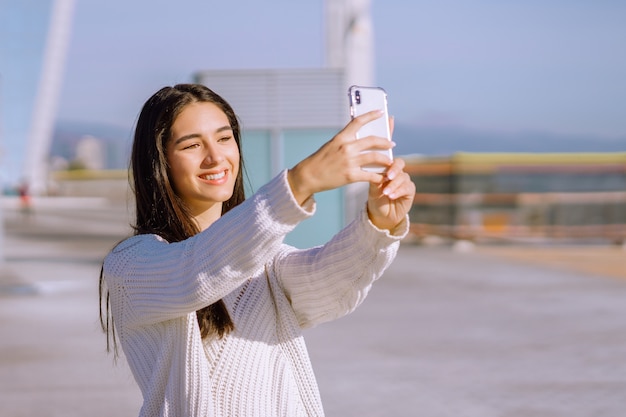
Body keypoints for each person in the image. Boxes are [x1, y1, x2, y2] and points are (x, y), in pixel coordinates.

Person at [99, 83, 415, 417]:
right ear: (160, 161)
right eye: (192, 145)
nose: (215, 156)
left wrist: (378, 225)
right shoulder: (131, 264)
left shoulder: (265, 259)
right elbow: (195, 271)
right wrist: (300, 182)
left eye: (224, 138)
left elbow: (324, 282)